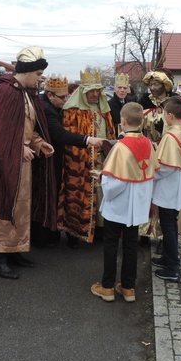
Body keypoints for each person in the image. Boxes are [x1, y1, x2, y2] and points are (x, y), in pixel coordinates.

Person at [0, 47, 55, 280]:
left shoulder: (26, 93)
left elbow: (28, 128)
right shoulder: (4, 91)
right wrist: (18, 147)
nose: (41, 78)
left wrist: (39, 143)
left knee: (20, 207)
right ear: (28, 71)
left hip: (22, 162)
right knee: (3, 203)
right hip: (2, 163)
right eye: (39, 73)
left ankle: (14, 250)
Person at [90, 103, 158, 302]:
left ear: (123, 122)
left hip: (119, 204)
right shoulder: (148, 143)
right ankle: (129, 287)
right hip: (138, 204)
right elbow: (149, 171)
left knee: (110, 243)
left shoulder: (121, 147)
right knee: (131, 244)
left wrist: (101, 177)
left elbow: (115, 182)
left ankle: (108, 287)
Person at [39, 75, 103, 247]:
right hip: (50, 160)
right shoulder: (47, 109)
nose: (65, 99)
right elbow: (60, 134)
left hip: (64, 158)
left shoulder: (54, 105)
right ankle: (44, 237)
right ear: (50, 95)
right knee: (48, 197)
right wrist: (87, 140)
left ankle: (49, 235)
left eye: (67, 96)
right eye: (62, 97)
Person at [59, 70, 116, 247]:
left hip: (101, 160)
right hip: (79, 162)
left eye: (97, 91)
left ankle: (98, 231)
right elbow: (68, 138)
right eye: (90, 91)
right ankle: (75, 233)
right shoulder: (72, 112)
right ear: (83, 92)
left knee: (101, 197)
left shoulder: (104, 110)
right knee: (77, 197)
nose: (94, 94)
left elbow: (110, 133)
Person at [151, 99, 181, 284]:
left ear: (169, 115)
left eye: (164, 114)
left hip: (169, 186)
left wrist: (151, 172)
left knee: (168, 226)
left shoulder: (170, 136)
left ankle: (173, 267)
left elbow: (166, 167)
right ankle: (168, 258)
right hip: (180, 184)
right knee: (170, 222)